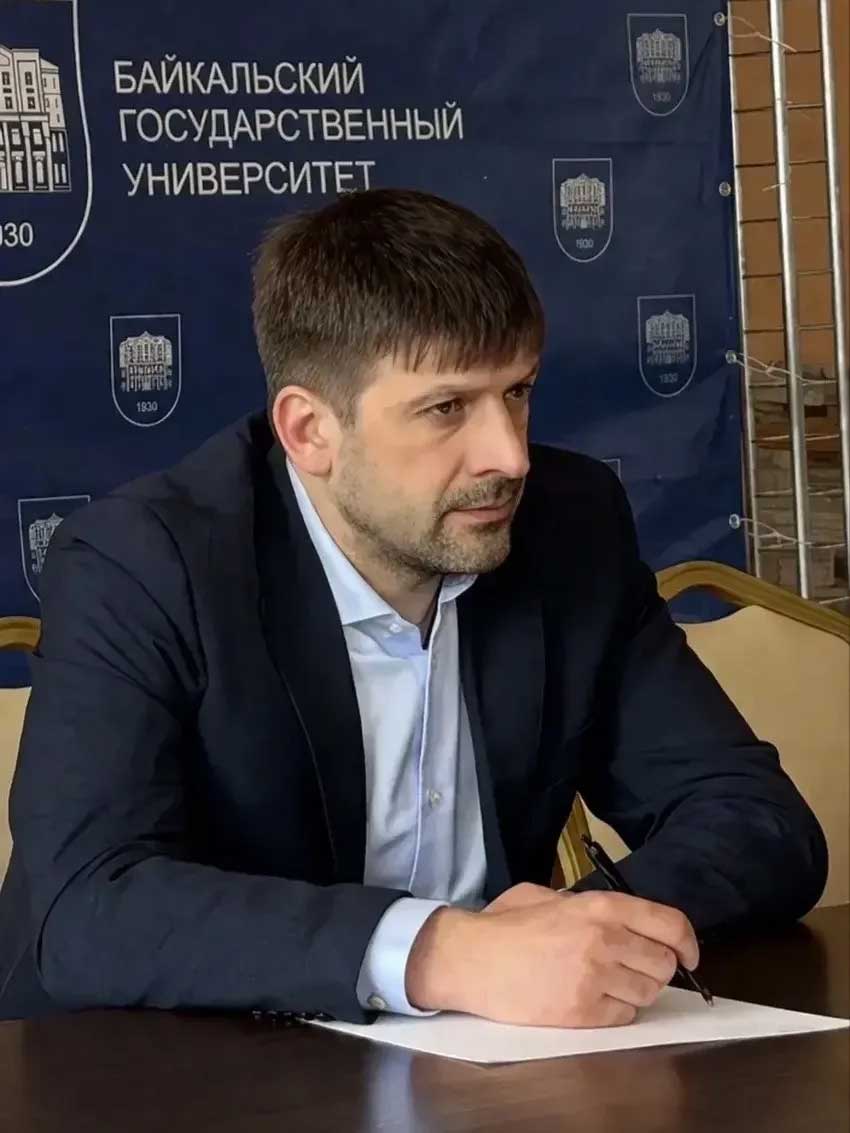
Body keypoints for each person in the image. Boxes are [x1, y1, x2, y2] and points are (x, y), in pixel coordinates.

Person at [0, 189, 827, 1025]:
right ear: (309, 431)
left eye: (518, 392)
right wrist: (439, 952)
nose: (508, 455)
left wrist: (570, 936)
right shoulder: (144, 564)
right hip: (156, 1067)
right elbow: (86, 905)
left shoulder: (568, 528)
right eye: (446, 408)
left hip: (487, 1065)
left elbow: (757, 820)